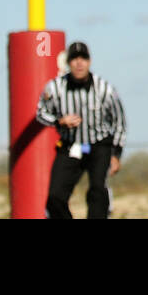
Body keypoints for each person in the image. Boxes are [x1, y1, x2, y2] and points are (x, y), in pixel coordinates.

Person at [35, 41, 126, 219]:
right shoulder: (55, 88)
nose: (79, 63)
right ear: (68, 63)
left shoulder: (104, 89)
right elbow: (40, 113)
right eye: (74, 59)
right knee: (55, 197)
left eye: (83, 58)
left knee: (97, 190)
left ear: (89, 61)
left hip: (99, 145)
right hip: (70, 145)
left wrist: (116, 154)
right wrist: (59, 121)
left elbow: (119, 122)